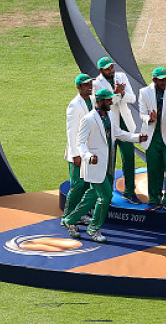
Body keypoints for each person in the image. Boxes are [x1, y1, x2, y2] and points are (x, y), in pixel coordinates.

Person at [64, 89, 146, 242]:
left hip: (108, 166)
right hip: (95, 166)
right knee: (106, 196)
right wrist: (88, 157)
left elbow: (119, 133)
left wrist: (137, 137)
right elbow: (80, 143)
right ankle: (94, 228)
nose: (111, 102)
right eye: (108, 100)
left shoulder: (111, 117)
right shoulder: (88, 119)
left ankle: (69, 220)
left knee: (91, 196)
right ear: (100, 101)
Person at [93, 56, 139, 204]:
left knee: (129, 158)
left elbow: (132, 98)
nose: (111, 71)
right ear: (101, 70)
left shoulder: (121, 76)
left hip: (125, 123)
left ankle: (129, 192)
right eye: (107, 69)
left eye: (112, 67)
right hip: (108, 124)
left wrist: (122, 94)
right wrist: (117, 93)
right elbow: (103, 104)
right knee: (108, 160)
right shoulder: (96, 84)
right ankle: (106, 194)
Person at [139, 67, 166, 213]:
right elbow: (142, 113)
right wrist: (149, 119)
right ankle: (154, 200)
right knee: (154, 169)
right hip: (152, 136)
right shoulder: (144, 92)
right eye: (161, 80)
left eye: (165, 79)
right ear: (154, 80)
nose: (164, 82)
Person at [62, 73, 95, 227]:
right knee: (78, 185)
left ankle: (78, 215)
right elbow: (71, 132)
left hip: (88, 152)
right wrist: (76, 155)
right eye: (87, 85)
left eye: (90, 84)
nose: (90, 87)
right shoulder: (74, 106)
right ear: (79, 87)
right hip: (78, 154)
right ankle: (67, 216)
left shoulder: (92, 101)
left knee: (86, 185)